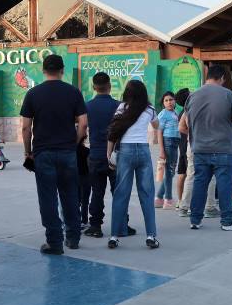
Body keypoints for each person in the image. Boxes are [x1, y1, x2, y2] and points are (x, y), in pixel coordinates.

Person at [21, 55, 87, 254]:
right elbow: (83, 123)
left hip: (43, 153)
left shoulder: (33, 94)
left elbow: (26, 128)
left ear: (43, 70)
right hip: (67, 152)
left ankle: (54, 242)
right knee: (70, 196)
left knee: (48, 198)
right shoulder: (73, 92)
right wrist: (74, 144)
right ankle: (73, 238)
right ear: (62, 70)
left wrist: (28, 151)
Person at [180, 64, 232, 231]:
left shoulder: (192, 96)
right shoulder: (227, 94)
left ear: (208, 76)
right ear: (222, 78)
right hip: (223, 148)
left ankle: (195, 219)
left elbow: (184, 123)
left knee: (199, 184)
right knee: (224, 185)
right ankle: (228, 221)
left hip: (199, 148)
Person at [107, 80, 159, 249]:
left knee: (121, 194)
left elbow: (113, 132)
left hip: (125, 152)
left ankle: (114, 236)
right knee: (147, 194)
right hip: (143, 151)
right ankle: (151, 236)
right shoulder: (150, 109)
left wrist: (108, 154)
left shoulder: (122, 108)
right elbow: (156, 125)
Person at [84, 72, 134, 239]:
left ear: (94, 87)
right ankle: (122, 225)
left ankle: (95, 226)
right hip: (116, 156)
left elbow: (82, 128)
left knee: (97, 192)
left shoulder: (88, 106)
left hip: (95, 155)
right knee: (119, 192)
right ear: (110, 86)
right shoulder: (119, 106)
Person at [155, 91, 180, 209]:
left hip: (175, 143)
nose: (169, 102)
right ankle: (168, 200)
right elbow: (159, 132)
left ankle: (159, 198)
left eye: (171, 100)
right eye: (166, 100)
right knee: (169, 172)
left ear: (175, 101)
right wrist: (161, 150)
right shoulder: (163, 114)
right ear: (163, 103)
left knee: (171, 172)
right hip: (168, 142)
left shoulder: (176, 112)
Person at [175, 88, 190, 208]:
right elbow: (181, 128)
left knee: (182, 173)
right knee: (188, 175)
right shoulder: (186, 112)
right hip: (187, 147)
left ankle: (180, 201)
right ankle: (185, 202)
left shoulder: (182, 112)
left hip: (182, 147)